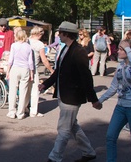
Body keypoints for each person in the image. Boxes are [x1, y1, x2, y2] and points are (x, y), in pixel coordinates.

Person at [39, 21, 99, 162]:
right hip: (64, 94)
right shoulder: (65, 48)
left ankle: (55, 157)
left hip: (72, 95)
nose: (58, 35)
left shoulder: (79, 52)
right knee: (72, 125)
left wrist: (93, 99)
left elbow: (86, 76)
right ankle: (88, 152)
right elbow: (58, 71)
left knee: (64, 129)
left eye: (60, 32)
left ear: (66, 34)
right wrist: (46, 84)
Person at [93, 39, 131, 162]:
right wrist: (100, 100)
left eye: (121, 49)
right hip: (121, 107)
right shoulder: (120, 66)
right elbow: (113, 87)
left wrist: (128, 49)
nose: (118, 51)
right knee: (110, 137)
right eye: (119, 48)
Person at [5, 29, 34, 119]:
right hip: (25, 69)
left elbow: (10, 60)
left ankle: (11, 112)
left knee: (13, 90)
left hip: (15, 68)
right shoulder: (29, 47)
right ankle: (20, 113)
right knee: (23, 91)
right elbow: (30, 62)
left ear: (16, 36)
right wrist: (31, 73)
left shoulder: (14, 45)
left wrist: (8, 71)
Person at [26, 26, 53, 117]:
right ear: (39, 34)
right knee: (35, 91)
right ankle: (33, 111)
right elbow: (44, 60)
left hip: (24, 68)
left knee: (25, 89)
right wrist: (51, 70)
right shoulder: (39, 44)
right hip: (34, 69)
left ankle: (24, 108)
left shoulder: (26, 41)